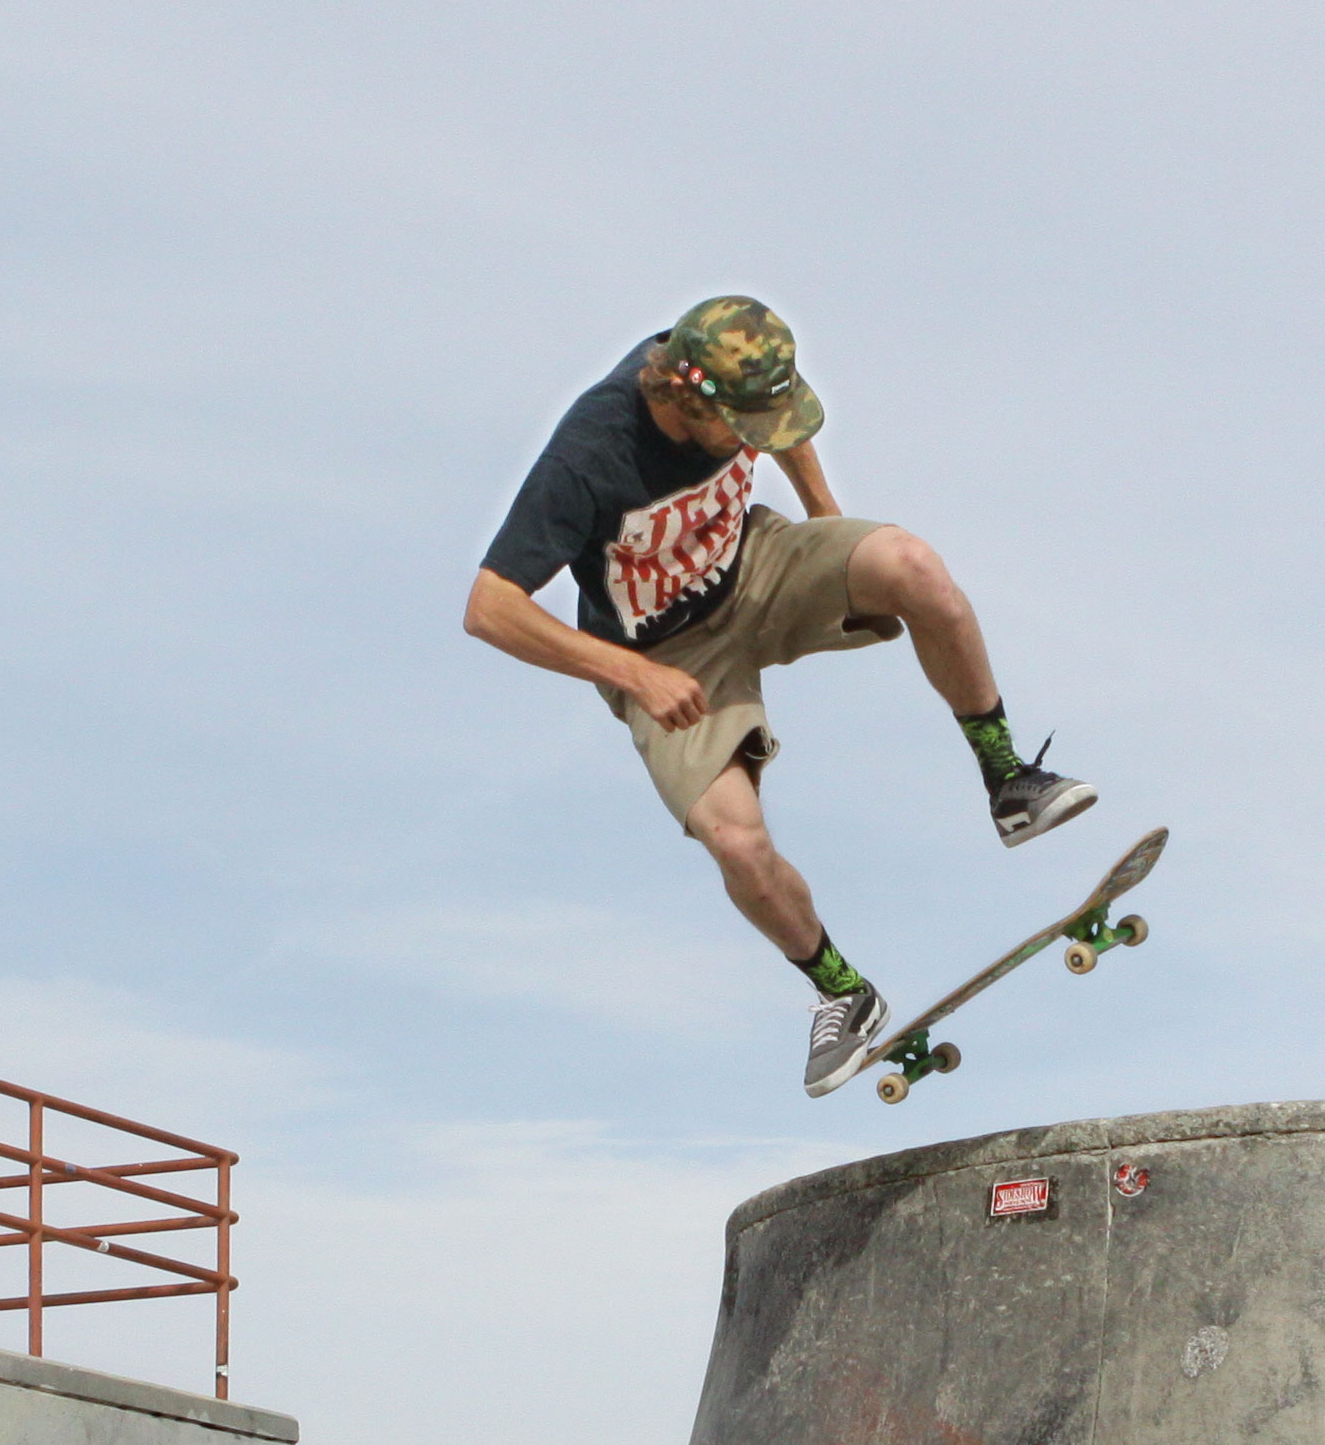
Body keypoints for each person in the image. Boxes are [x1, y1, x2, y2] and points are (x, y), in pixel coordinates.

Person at [466, 296, 1096, 1096]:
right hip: (665, 650)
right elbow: (489, 607)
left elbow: (790, 427)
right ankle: (842, 991)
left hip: (755, 566)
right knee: (735, 841)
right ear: (687, 403)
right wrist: (632, 675)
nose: (760, 444)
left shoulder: (730, 367)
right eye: (746, 432)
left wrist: (829, 520)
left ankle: (1008, 779)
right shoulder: (590, 454)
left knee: (912, 567)